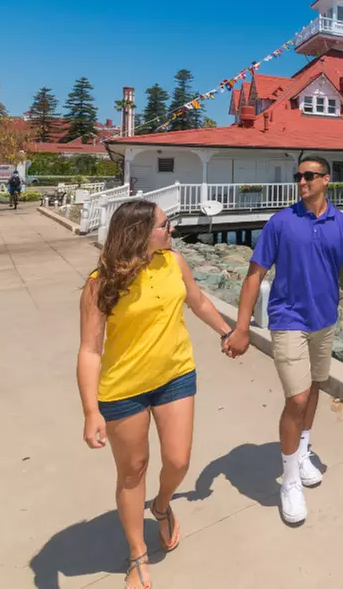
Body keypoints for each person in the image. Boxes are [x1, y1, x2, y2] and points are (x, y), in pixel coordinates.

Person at [76, 199, 235, 589]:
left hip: (175, 376)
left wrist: (227, 332)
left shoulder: (173, 262)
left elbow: (196, 301)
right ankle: (136, 555)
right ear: (139, 234)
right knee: (133, 471)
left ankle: (161, 505)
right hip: (124, 389)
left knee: (178, 460)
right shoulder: (101, 284)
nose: (172, 231)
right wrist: (90, 410)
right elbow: (90, 351)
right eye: (165, 226)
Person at [224, 155, 343, 526]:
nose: (301, 182)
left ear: (326, 180)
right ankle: (288, 481)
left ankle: (302, 450)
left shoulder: (342, 224)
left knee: (315, 386)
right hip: (287, 321)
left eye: (309, 176)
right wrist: (241, 327)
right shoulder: (281, 223)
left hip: (324, 321)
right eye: (298, 176)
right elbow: (254, 275)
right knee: (297, 396)